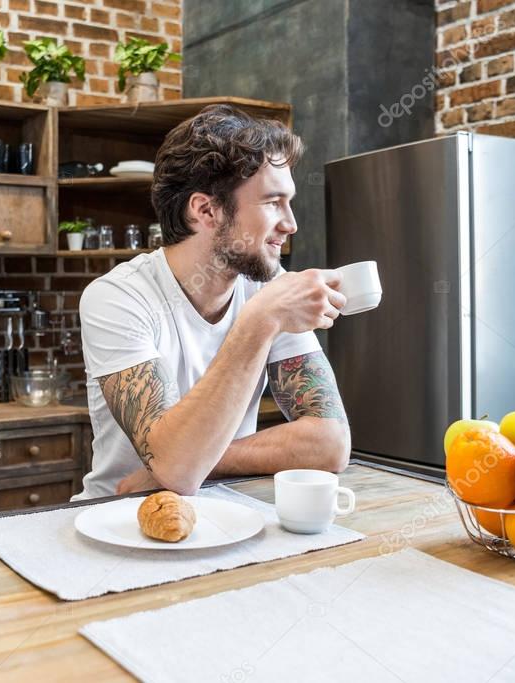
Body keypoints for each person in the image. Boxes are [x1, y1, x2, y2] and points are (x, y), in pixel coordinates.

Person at [75, 105, 350, 500]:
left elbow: (330, 443)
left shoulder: (270, 290)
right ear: (207, 210)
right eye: (273, 202)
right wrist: (260, 320)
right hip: (117, 522)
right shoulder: (118, 297)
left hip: (228, 515)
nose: (291, 224)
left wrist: (185, 463)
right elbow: (178, 469)